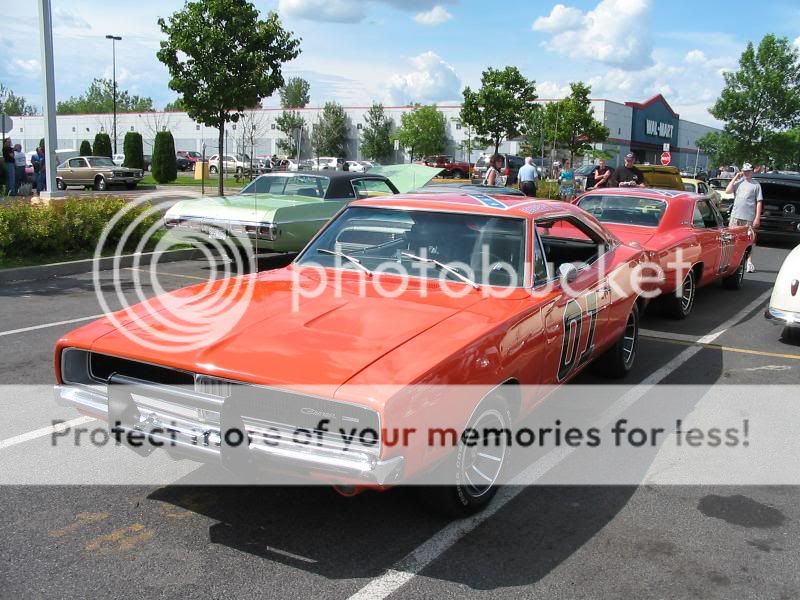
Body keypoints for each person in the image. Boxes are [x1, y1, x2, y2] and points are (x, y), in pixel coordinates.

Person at [726, 163, 762, 273]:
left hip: (748, 217)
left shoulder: (756, 185)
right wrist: (736, 177)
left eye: (748, 171)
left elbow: (759, 202)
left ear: (752, 172)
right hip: (735, 215)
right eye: (744, 171)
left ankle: (749, 262)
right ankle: (731, 260)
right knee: (732, 238)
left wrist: (757, 217)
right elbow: (728, 190)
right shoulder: (738, 182)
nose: (746, 173)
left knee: (749, 239)